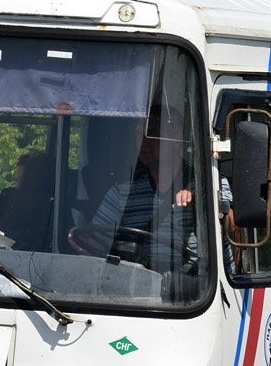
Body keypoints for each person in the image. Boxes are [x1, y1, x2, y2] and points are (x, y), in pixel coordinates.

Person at [72, 107, 194, 271]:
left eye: (151, 134)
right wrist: (80, 237)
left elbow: (230, 225)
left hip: (192, 288)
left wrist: (202, 206)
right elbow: (97, 239)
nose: (142, 141)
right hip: (135, 284)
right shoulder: (122, 191)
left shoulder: (204, 184)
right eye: (138, 134)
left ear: (177, 139)